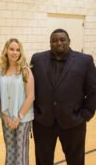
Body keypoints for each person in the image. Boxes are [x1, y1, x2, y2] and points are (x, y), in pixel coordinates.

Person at [30, 28, 96, 165]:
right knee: (42, 161)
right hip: (43, 123)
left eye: (62, 39)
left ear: (69, 41)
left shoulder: (85, 61)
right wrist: (35, 113)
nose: (58, 42)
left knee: (76, 161)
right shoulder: (37, 59)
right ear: (50, 43)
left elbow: (93, 91)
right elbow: (30, 88)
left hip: (74, 122)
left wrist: (86, 114)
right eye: (54, 40)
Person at [0, 38, 34, 165]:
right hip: (6, 117)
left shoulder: (26, 71)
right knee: (10, 150)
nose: (14, 52)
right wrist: (5, 117)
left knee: (21, 152)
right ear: (6, 51)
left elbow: (31, 96)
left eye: (17, 50)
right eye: (11, 49)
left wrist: (18, 118)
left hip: (23, 118)